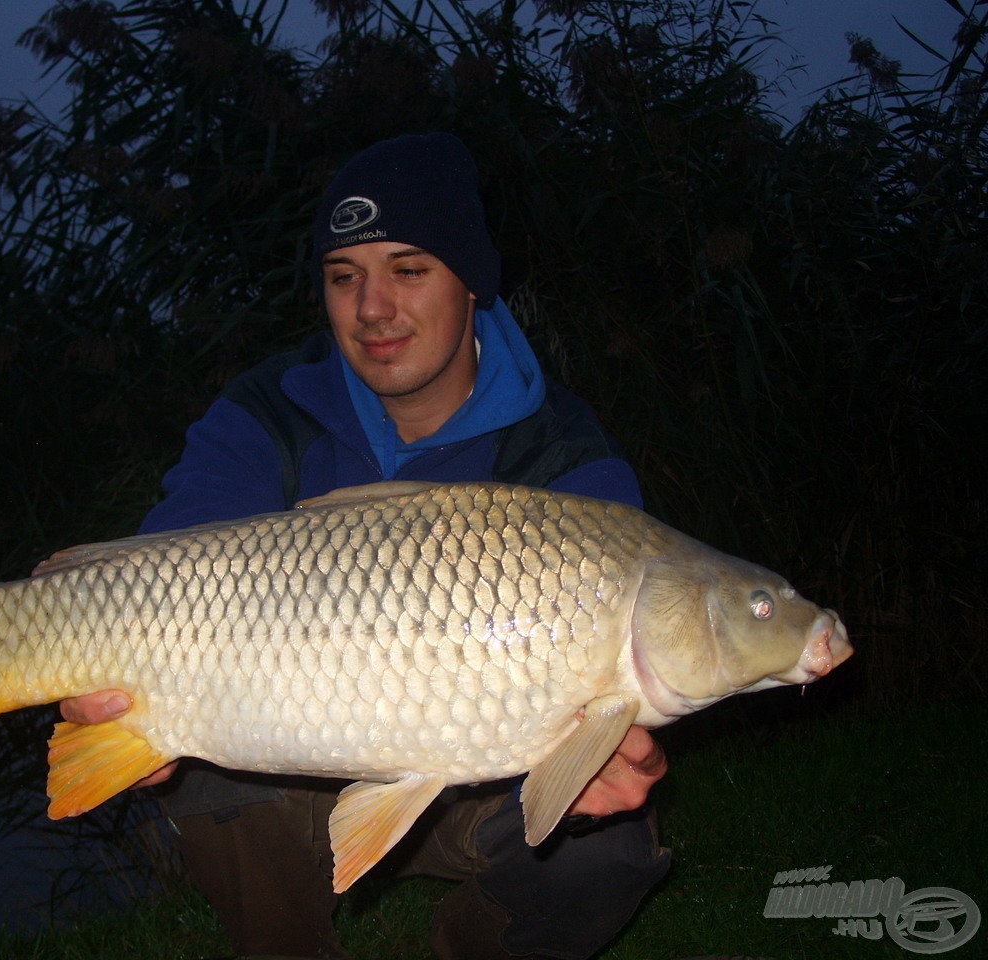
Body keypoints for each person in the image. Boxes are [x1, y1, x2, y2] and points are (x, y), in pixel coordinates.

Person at [61, 133, 671, 960]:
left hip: (486, 777)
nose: (372, 308)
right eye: (344, 277)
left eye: (408, 269)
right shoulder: (268, 412)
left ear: (472, 285)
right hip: (286, 766)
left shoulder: (562, 456)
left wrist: (595, 756)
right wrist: (122, 703)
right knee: (206, 774)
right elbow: (165, 579)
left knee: (605, 843)